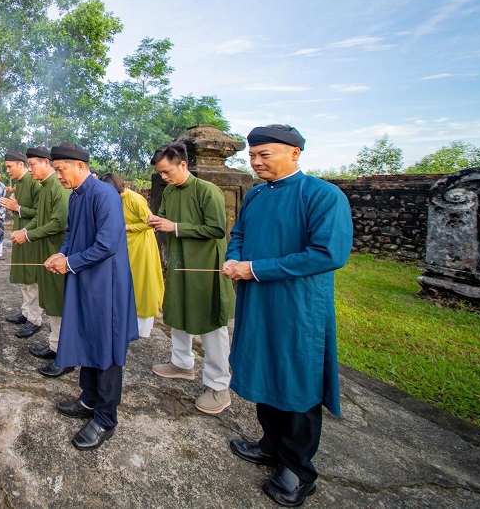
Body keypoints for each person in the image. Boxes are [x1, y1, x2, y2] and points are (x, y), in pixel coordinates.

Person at [222, 125, 352, 507]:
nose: (256, 162)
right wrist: (234, 257)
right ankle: (270, 444)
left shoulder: (323, 195)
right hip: (258, 300)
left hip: (298, 305)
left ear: (295, 153)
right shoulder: (257, 194)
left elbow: (328, 253)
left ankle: (298, 468)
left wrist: (256, 268)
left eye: (266, 154)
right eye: (252, 156)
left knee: (297, 377)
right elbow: (240, 233)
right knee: (264, 368)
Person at [43, 143, 138, 450]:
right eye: (56, 170)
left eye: (61, 170)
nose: (59, 176)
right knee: (86, 336)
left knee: (106, 346)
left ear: (80, 167)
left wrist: (70, 263)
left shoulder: (103, 194)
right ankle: (88, 399)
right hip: (84, 278)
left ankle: (106, 418)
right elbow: (71, 233)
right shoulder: (76, 196)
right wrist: (62, 253)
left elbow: (107, 244)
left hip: (105, 285)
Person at [147, 141, 235, 416]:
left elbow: (217, 229)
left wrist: (176, 227)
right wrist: (155, 222)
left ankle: (218, 384)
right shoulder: (171, 193)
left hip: (203, 265)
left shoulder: (208, 191)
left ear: (182, 164)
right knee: (177, 311)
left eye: (167, 172)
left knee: (211, 323)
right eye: (160, 173)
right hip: (178, 261)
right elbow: (165, 219)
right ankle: (182, 363)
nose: (164, 178)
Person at [10, 146, 69, 375]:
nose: (30, 169)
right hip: (46, 251)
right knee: (51, 301)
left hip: (58, 252)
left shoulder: (57, 187)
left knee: (59, 303)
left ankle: (64, 354)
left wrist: (28, 234)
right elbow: (40, 218)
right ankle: (55, 345)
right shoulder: (45, 186)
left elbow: (58, 223)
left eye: (33, 164)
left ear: (47, 162)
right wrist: (25, 232)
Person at [100, 173, 163, 338]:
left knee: (142, 283)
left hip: (141, 246)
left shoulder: (134, 199)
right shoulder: (116, 199)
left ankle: (143, 328)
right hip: (127, 246)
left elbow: (149, 223)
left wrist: (127, 227)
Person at [1, 150, 43, 338]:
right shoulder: (20, 183)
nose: (7, 170)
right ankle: (26, 313)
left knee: (32, 278)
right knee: (24, 276)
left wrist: (17, 208)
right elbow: (23, 209)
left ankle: (35, 319)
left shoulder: (35, 183)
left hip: (32, 237)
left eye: (10, 166)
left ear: (21, 164)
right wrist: (15, 207)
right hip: (21, 234)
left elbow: (41, 214)